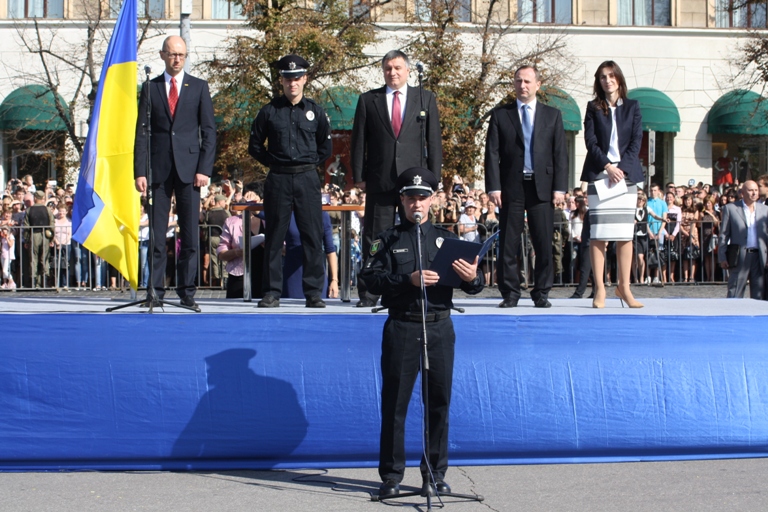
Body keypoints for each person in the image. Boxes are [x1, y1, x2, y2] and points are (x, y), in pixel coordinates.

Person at [360, 167, 483, 499]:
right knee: (395, 403)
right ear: (402, 200)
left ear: (433, 200)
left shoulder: (446, 238)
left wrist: (473, 277)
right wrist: (406, 280)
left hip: (440, 325)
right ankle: (391, 475)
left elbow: (475, 284)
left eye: (423, 197)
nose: (417, 204)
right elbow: (369, 278)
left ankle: (435, 473)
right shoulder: (387, 240)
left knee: (439, 402)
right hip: (403, 325)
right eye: (411, 197)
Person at [351, 49, 443, 308]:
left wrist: (434, 179)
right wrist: (359, 176)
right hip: (379, 179)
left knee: (414, 235)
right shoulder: (369, 100)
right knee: (374, 237)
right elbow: (359, 141)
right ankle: (369, 292)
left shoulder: (425, 98)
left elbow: (433, 141)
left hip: (414, 184)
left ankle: (414, 288)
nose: (393, 72)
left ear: (408, 70)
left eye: (398, 68)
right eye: (388, 68)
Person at [134, 35, 216, 311]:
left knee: (190, 237)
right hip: (158, 171)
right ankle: (155, 291)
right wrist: (140, 170)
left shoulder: (199, 88)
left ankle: (187, 292)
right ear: (162, 55)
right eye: (172, 54)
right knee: (157, 235)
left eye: (181, 54)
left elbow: (208, 132)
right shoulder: (151, 87)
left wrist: (204, 168)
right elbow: (142, 132)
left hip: (190, 171)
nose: (177, 59)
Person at [248, 54, 332, 308]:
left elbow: (325, 148)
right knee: (274, 236)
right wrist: (275, 162)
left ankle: (314, 292)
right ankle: (272, 292)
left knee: (311, 236)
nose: (292, 83)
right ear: (281, 81)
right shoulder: (269, 111)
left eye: (296, 78)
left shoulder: (315, 112)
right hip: (279, 178)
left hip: (307, 177)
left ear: (305, 79)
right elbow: (254, 146)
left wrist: (306, 165)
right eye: (287, 78)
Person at [484, 65, 568, 308]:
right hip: (511, 187)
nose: (523, 86)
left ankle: (541, 292)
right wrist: (494, 187)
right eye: (519, 81)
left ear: (538, 85)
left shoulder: (553, 115)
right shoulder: (501, 115)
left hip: (542, 187)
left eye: (528, 81)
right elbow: (492, 153)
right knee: (508, 243)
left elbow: (560, 154)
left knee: (543, 242)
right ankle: (510, 293)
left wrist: (560, 188)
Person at [581, 60, 644, 308]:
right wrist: (608, 166)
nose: (607, 80)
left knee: (624, 234)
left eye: (611, 76)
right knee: (598, 234)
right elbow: (591, 141)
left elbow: (636, 141)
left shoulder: (633, 107)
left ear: (619, 78)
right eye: (602, 77)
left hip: (626, 176)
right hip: (600, 173)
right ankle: (599, 289)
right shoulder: (592, 108)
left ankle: (624, 288)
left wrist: (621, 169)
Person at [718, 180, 768, 299]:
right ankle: (732, 315)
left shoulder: (765, 210)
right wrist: (722, 256)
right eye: (750, 190)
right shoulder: (731, 209)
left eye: (756, 190)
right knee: (735, 291)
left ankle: (758, 317)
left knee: (759, 294)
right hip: (739, 256)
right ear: (742, 193)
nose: (754, 193)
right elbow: (724, 235)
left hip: (759, 256)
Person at [23, 190, 55, 288]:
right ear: (43, 199)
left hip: (34, 235)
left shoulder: (29, 210)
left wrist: (26, 239)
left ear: (35, 198)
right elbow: (52, 224)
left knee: (33, 258)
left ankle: (34, 282)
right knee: (44, 258)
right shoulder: (47, 210)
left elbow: (26, 226)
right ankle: (44, 281)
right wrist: (52, 238)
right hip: (45, 235)